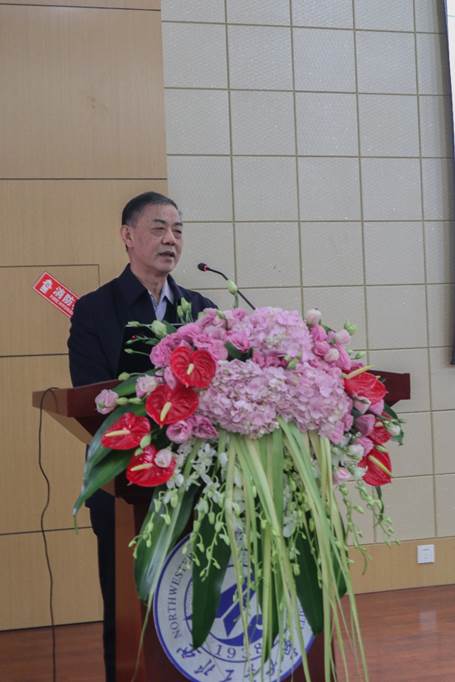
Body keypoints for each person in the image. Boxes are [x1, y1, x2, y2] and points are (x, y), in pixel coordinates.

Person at [67, 191, 216, 682]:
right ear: (128, 237)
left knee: (192, 603)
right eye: (158, 228)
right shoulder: (94, 310)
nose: (171, 239)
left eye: (178, 230)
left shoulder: (202, 311)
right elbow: (92, 399)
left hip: (197, 485)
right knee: (128, 607)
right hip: (124, 485)